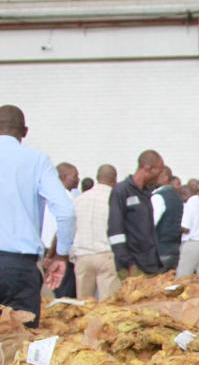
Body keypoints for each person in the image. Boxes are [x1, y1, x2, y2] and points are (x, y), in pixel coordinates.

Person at [0, 104, 74, 326]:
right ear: (25, 131)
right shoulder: (37, 160)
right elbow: (66, 211)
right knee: (20, 339)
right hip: (18, 267)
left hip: (18, 264)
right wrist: (61, 255)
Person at [108, 150, 164, 276]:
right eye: (158, 171)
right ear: (147, 168)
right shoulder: (121, 191)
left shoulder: (146, 192)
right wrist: (127, 262)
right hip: (132, 266)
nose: (159, 176)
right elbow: (115, 230)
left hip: (151, 263)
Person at [71, 164, 121, 300]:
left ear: (97, 177)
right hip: (106, 253)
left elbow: (72, 226)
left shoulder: (79, 199)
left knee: (84, 303)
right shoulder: (114, 198)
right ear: (115, 179)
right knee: (108, 303)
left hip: (83, 254)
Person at [46, 162, 80, 298]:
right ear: (65, 177)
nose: (78, 180)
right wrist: (57, 255)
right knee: (64, 294)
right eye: (75, 176)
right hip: (59, 251)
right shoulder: (66, 197)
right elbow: (63, 227)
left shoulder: (46, 194)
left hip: (46, 250)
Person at [152, 166, 184, 272]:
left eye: (156, 175)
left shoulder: (158, 197)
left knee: (158, 281)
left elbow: (151, 224)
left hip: (161, 249)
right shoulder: (178, 196)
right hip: (176, 248)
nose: (153, 177)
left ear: (165, 177)